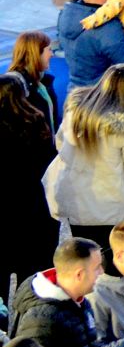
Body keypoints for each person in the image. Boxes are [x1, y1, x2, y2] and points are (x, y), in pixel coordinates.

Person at [46, 65, 124, 258]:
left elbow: (60, 144)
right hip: (112, 204)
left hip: (77, 201)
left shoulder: (75, 113)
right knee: (112, 259)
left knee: (84, 257)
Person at [8, 238, 109, 347]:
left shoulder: (80, 302)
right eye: (97, 267)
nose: (102, 272)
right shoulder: (42, 320)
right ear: (79, 274)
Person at [0, 71, 59, 297]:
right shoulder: (35, 123)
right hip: (32, 205)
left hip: (4, 209)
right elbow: (49, 162)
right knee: (33, 274)